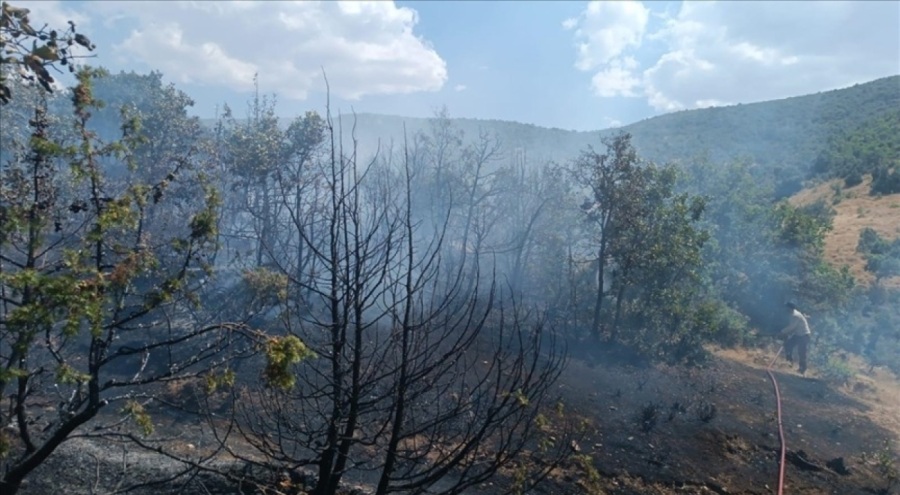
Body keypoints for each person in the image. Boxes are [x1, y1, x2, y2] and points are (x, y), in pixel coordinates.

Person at [780, 302, 812, 375]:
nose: (785, 309)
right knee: (788, 345)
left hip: (804, 335)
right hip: (798, 335)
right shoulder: (792, 314)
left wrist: (782, 332)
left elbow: (792, 327)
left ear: (790, 308)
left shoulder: (796, 315)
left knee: (801, 352)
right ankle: (789, 362)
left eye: (786, 307)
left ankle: (802, 369)